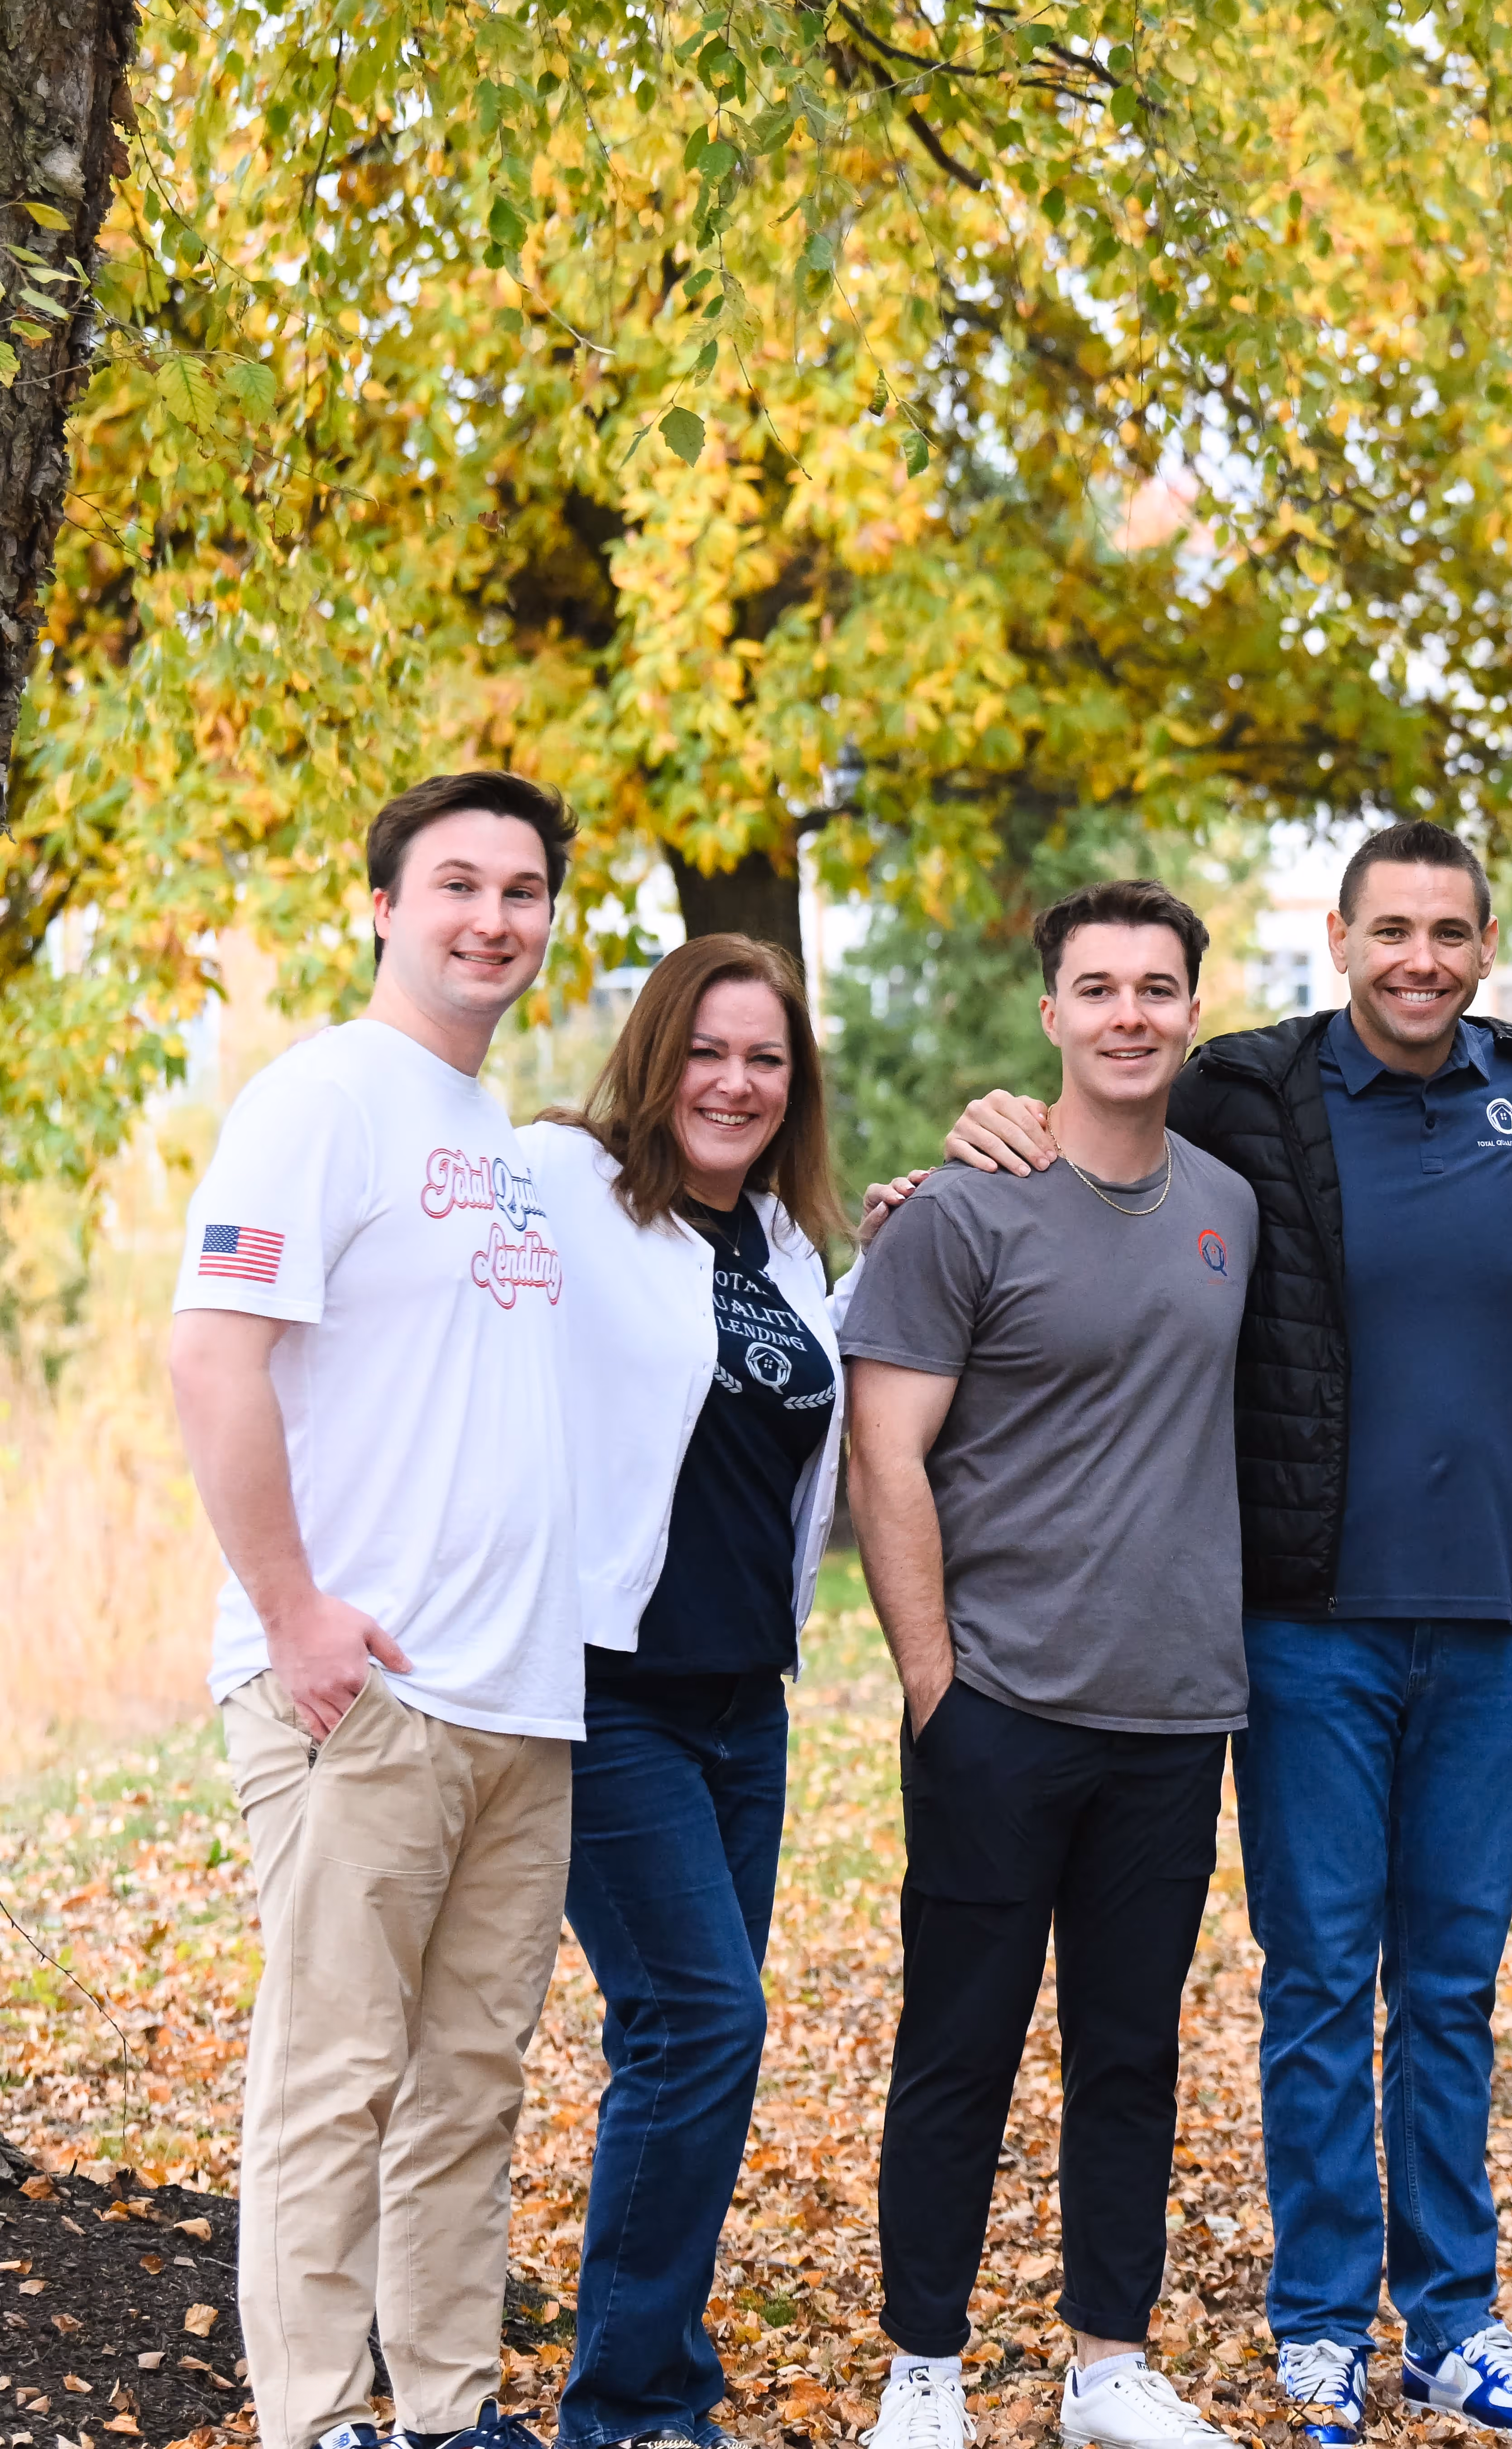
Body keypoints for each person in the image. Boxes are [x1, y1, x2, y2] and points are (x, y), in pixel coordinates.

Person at [923, 824, 1512, 2449]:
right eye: (1391, 929)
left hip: (1500, 1618)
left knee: (1449, 1989)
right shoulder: (1250, 1088)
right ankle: (1319, 2322)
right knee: (1316, 1981)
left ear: (1486, 941)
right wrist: (976, 1130)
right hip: (1305, 1622)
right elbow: (1099, 1112)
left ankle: (1448, 2320)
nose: (1419, 958)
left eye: (1449, 931)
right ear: (1339, 936)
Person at [167, 771, 586, 2449]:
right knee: (334, 2079)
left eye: (525, 890)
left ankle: (446, 2407)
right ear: (384, 906)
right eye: (459, 884)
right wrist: (294, 1610)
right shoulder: (322, 1096)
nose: (494, 916)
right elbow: (211, 1355)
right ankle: (321, 2417)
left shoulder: (497, 1134)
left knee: (470, 2093)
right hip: (363, 1691)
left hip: (517, 1701)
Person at [839, 880, 1261, 2449]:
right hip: (999, 1705)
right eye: (1098, 988)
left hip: (1175, 1709)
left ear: (1193, 1009)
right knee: (958, 2041)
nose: (1130, 1014)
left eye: (1158, 987)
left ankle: (1107, 2362)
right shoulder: (959, 1213)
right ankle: (924, 2368)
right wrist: (937, 1681)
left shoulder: (1231, 1205)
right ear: (1052, 1014)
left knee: (1130, 2053)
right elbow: (887, 1460)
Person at [521, 934, 849, 2449]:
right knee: (703, 2023)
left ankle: (650, 2366)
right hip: (613, 1696)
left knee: (682, 2037)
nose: (735, 1081)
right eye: (708, 1050)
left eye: (765, 1058)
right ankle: (631, 2400)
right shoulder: (567, 1189)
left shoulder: (788, 1245)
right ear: (658, 1056)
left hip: (742, 1706)